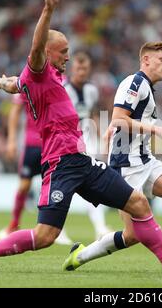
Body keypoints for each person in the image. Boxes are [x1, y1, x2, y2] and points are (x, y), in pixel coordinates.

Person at [0, 0, 162, 277]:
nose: (68, 56)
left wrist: (2, 82)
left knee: (138, 202)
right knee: (45, 236)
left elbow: (16, 84)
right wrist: (48, 10)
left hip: (82, 161)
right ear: (47, 53)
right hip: (60, 164)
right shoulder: (39, 70)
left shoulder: (44, 77)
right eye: (63, 51)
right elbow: (36, 48)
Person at [62, 42, 162, 274]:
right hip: (126, 166)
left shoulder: (148, 88)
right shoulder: (135, 82)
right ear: (146, 60)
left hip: (146, 161)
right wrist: (156, 130)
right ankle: (79, 256)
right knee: (132, 235)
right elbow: (119, 119)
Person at [0, 91, 73, 245]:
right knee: (24, 185)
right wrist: (11, 140)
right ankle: (13, 224)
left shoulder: (61, 82)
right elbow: (15, 111)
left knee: (56, 186)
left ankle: (57, 227)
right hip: (31, 144)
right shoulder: (27, 82)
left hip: (53, 144)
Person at [63, 51, 112, 239]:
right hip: (66, 143)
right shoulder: (64, 89)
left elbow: (92, 115)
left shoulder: (91, 89)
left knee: (93, 182)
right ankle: (56, 228)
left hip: (87, 141)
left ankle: (100, 227)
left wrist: (103, 138)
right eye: (78, 68)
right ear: (71, 69)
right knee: (67, 185)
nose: (82, 72)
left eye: (85, 68)